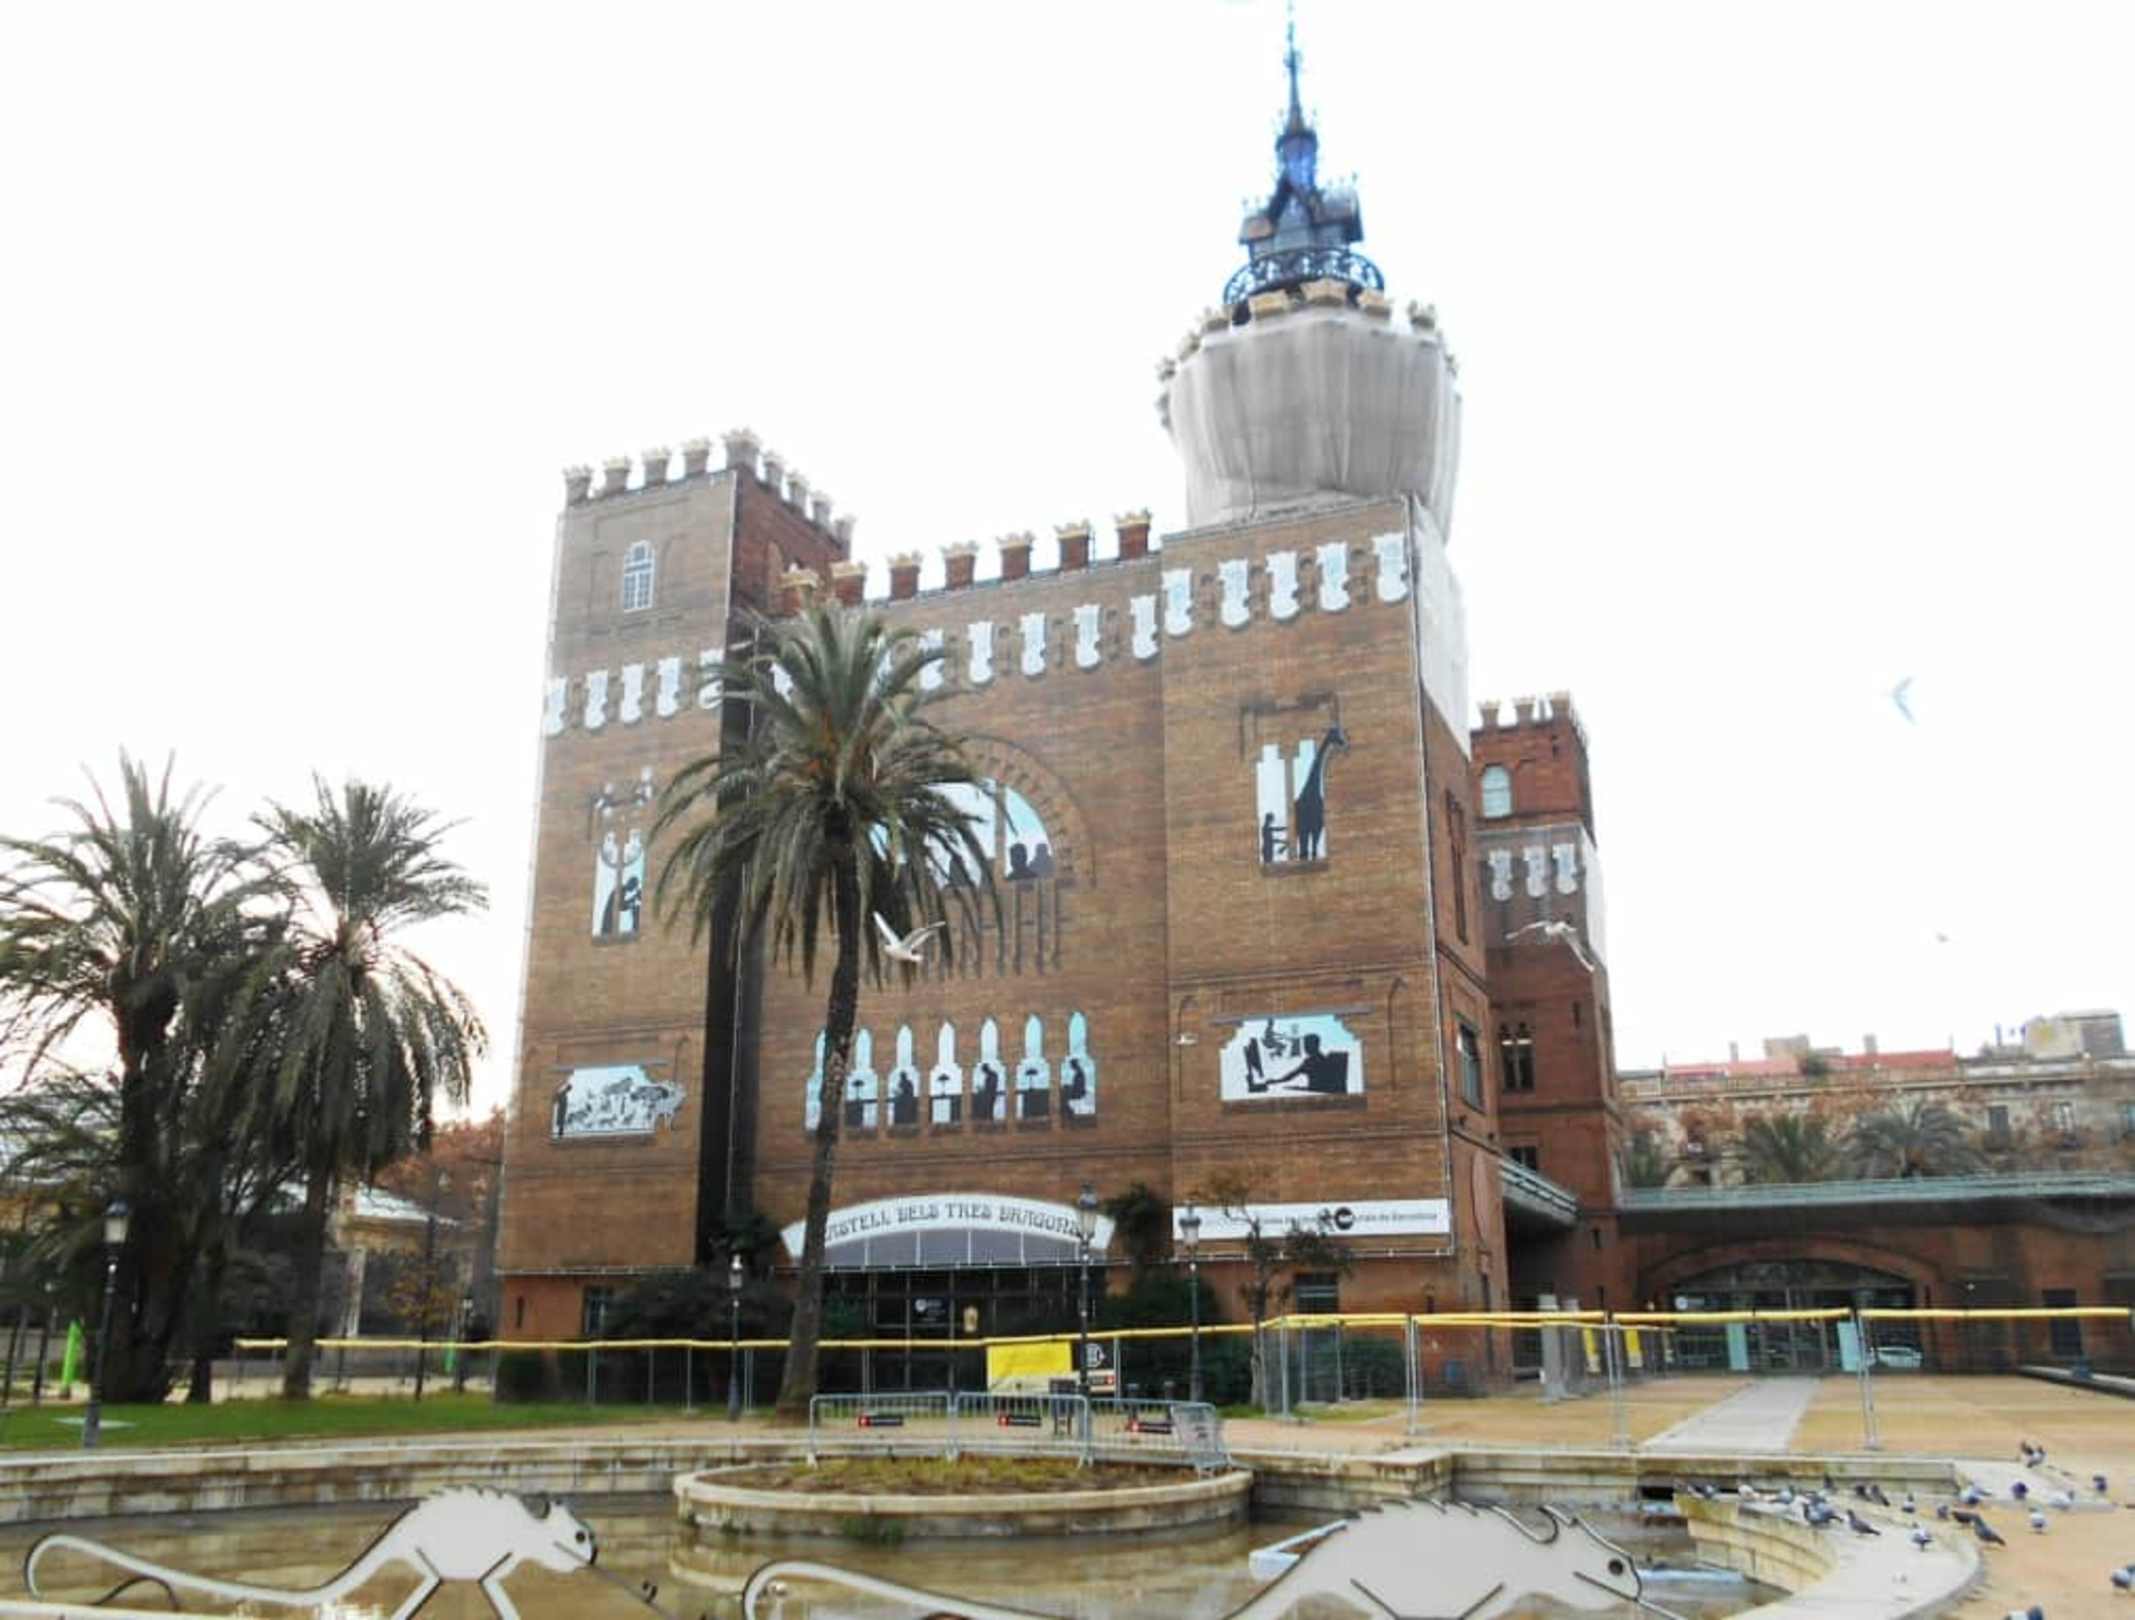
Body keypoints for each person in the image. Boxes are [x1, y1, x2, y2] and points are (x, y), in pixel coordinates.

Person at [1264, 1033, 1349, 1095]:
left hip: (1316, 1093)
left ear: (1315, 1045)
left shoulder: (1310, 1062)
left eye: (1307, 1044)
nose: (1305, 1047)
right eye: (1305, 1045)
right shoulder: (1323, 1059)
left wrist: (1276, 1081)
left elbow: (1292, 1075)